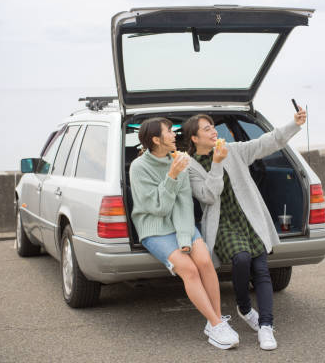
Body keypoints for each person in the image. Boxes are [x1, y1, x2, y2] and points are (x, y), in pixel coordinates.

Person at [183, 107, 307, 351]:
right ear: (194, 138)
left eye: (212, 127)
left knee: (261, 269)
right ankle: (244, 306)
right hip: (222, 223)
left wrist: (294, 124)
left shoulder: (233, 150)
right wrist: (216, 165)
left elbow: (266, 143)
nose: (213, 132)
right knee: (241, 259)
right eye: (206, 129)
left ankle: (266, 327)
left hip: (249, 216)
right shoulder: (190, 167)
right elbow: (208, 195)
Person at [129, 117, 239, 350]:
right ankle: (216, 323)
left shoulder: (180, 160)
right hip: (155, 228)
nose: (174, 135)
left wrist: (184, 237)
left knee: (204, 261)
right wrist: (171, 176)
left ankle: (216, 322)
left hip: (183, 224)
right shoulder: (139, 168)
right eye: (169, 132)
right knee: (188, 269)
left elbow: (184, 206)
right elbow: (158, 209)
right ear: (156, 140)